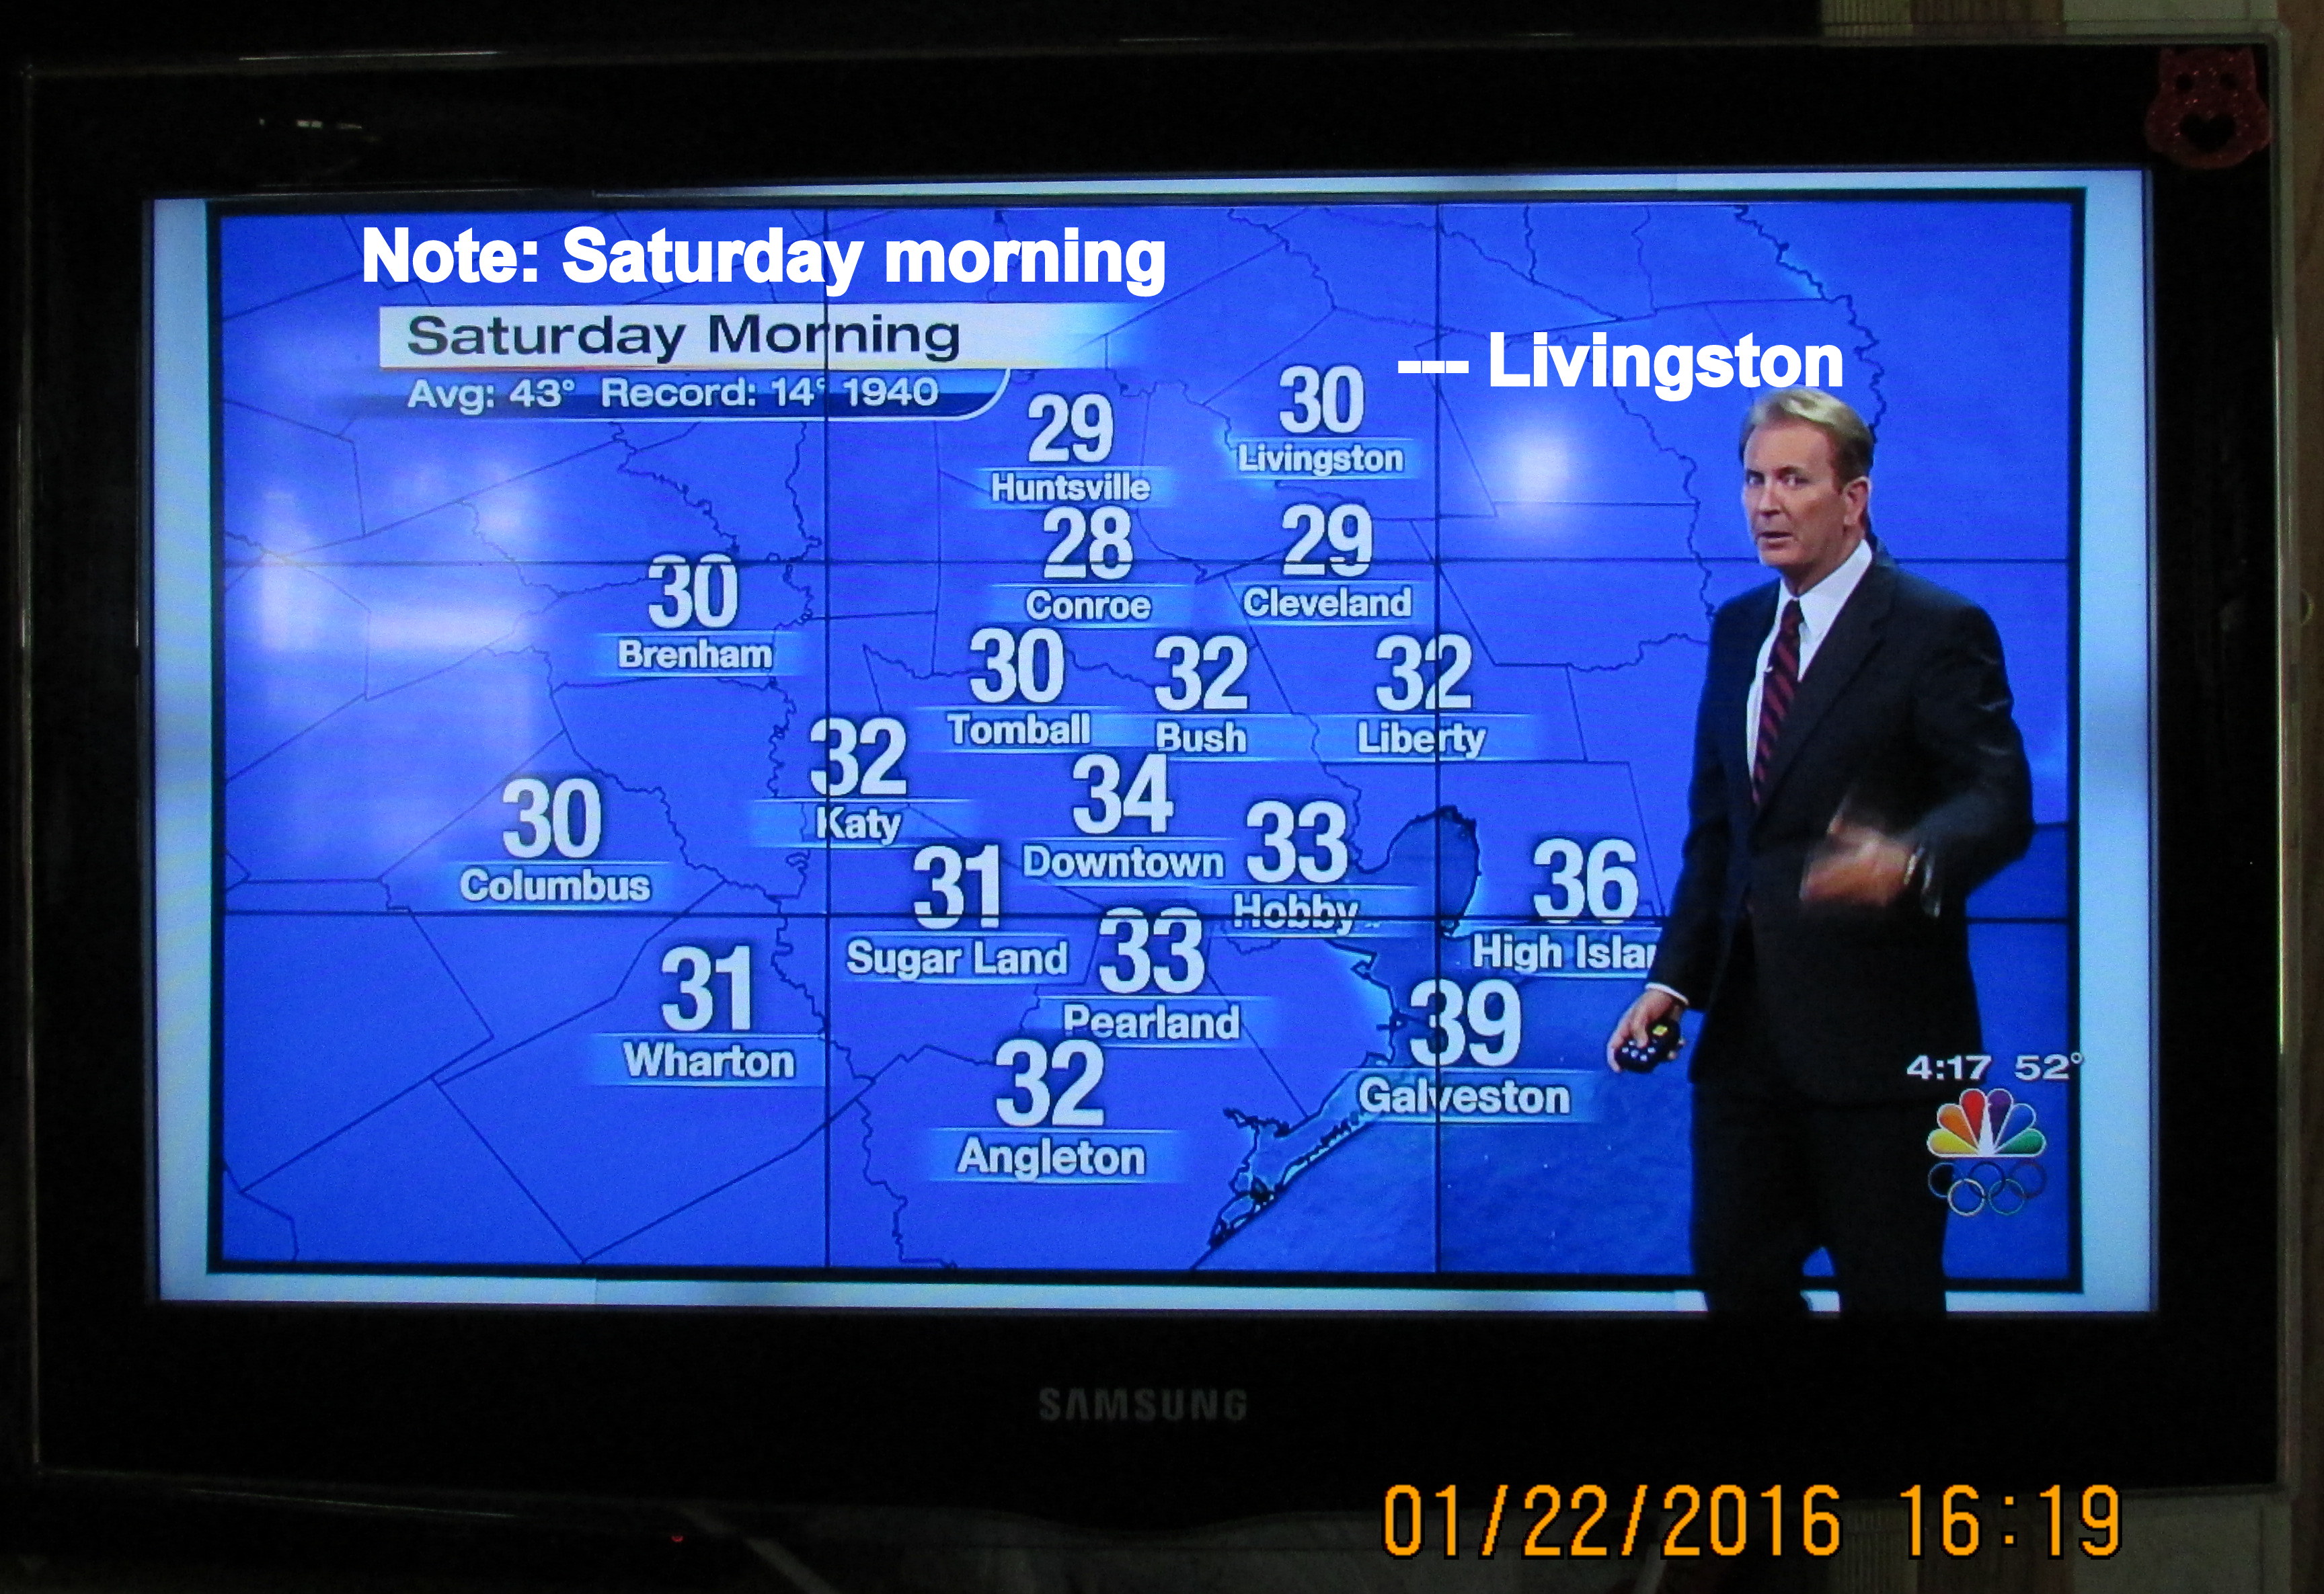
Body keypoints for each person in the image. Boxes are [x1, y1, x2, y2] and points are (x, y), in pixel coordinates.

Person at [1605, 389, 2033, 1318]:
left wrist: (1907, 859)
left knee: (1891, 1302)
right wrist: (1674, 980)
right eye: (1754, 480)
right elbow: (1720, 829)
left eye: (1794, 480)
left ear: (1853, 498)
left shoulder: (1934, 629)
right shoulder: (1739, 629)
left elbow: (1998, 803)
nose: (1767, 503)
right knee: (1736, 1278)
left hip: (1881, 1047)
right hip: (1747, 1047)